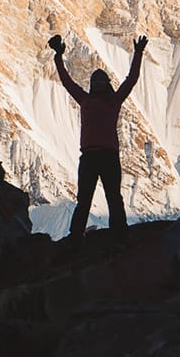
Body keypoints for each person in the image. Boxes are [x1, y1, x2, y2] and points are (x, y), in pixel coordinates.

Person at [50, 32, 147, 242]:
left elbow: (132, 79)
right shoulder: (86, 99)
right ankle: (78, 236)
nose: (98, 83)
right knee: (85, 199)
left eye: (101, 80)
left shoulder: (112, 100)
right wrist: (58, 57)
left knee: (112, 198)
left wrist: (138, 53)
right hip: (92, 156)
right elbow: (66, 82)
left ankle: (117, 235)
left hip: (105, 156)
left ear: (106, 83)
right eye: (96, 80)